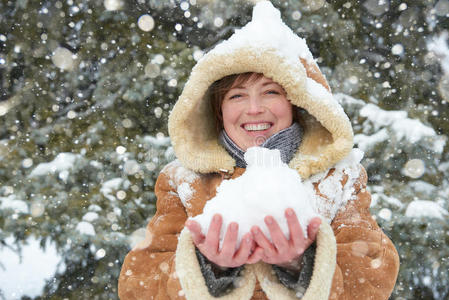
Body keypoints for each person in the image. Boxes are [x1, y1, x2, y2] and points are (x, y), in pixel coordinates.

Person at [118, 1, 399, 299]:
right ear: (218, 110)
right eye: (237, 95)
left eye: (270, 92)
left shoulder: (339, 178)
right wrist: (210, 268)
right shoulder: (182, 181)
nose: (254, 109)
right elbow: (139, 283)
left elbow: (372, 275)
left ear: (297, 102)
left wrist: (301, 266)